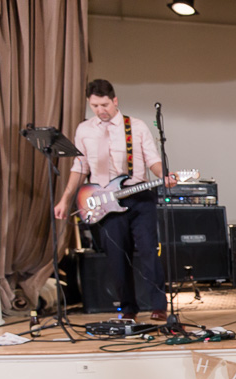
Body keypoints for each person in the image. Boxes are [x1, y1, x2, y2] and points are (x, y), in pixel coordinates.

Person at [54, 79, 175, 320]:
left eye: (105, 104)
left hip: (139, 196)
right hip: (104, 201)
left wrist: (164, 175)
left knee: (150, 252)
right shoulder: (84, 130)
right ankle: (129, 309)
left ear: (115, 100)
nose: (101, 110)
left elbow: (152, 160)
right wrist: (65, 199)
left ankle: (159, 307)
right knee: (118, 257)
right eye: (95, 106)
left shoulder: (137, 127)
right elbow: (79, 167)